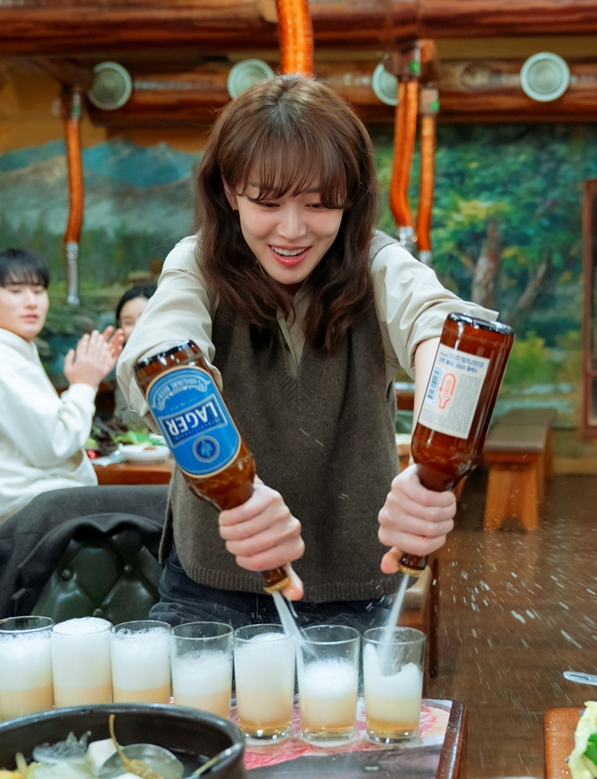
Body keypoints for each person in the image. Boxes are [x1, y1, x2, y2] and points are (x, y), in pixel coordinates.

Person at [117, 75, 497, 630]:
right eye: (267, 202)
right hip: (209, 585)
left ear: (352, 196)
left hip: (353, 585)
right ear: (230, 191)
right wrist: (238, 494)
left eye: (319, 204)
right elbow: (160, 354)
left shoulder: (378, 264)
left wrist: (430, 471)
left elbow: (445, 330)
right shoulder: (197, 263)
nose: (292, 231)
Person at [0, 248, 123, 524]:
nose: (31, 302)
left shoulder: (17, 352)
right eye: (16, 291)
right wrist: (84, 384)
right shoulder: (6, 360)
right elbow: (54, 445)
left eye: (38, 290)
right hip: (30, 515)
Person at [112, 284, 156, 429]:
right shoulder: (125, 366)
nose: (137, 328)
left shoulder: (180, 358)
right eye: (128, 323)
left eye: (145, 318)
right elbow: (122, 419)